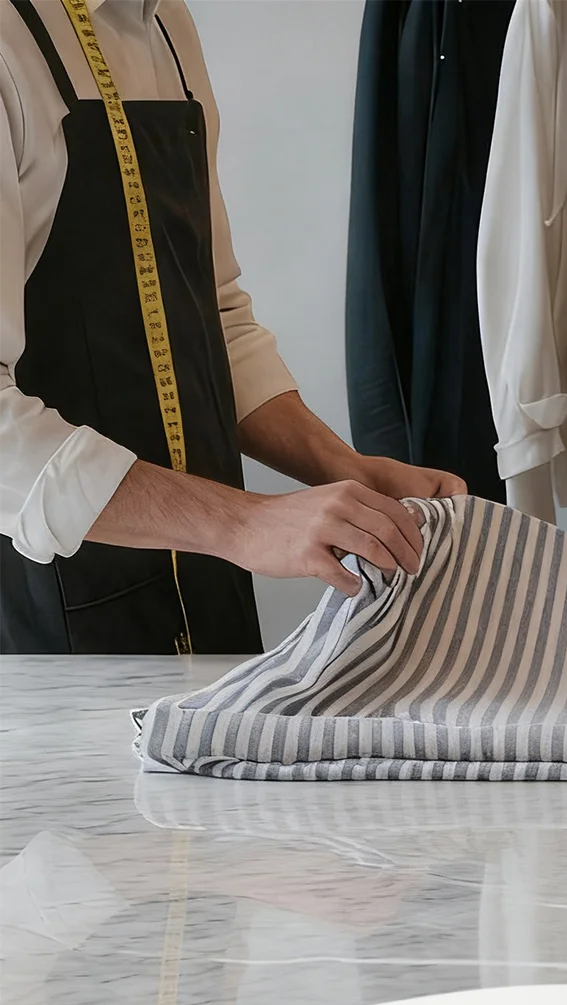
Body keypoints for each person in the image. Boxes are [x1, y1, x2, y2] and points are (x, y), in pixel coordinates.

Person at [0, 0, 466, 655]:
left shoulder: (166, 23)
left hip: (211, 579)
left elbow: (211, 314)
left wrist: (346, 469)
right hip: (52, 620)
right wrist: (245, 523)